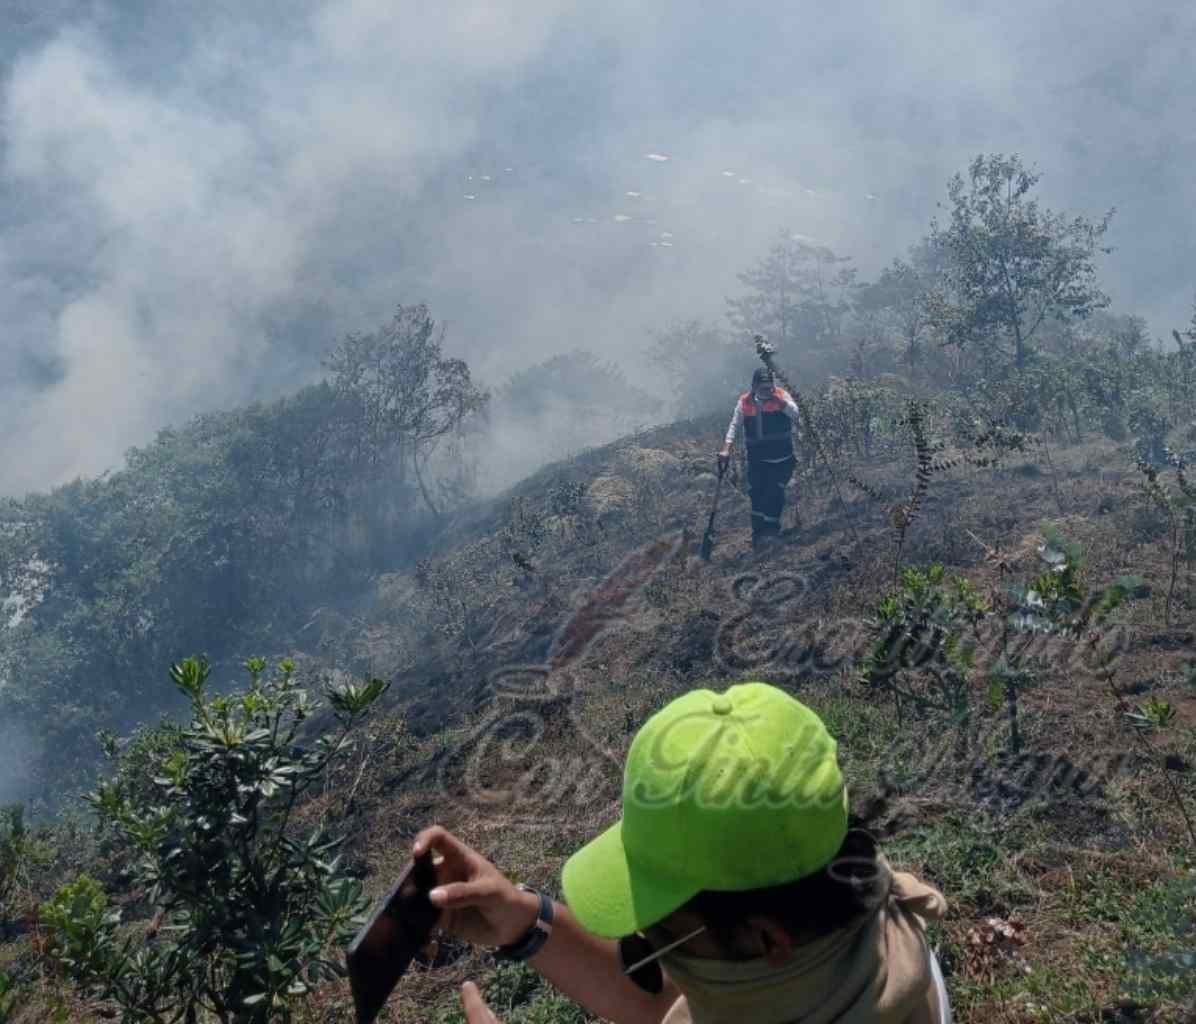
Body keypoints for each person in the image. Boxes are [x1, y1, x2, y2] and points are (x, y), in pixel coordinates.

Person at [414, 681, 952, 1024]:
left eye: (662, 935)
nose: (646, 950)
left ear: (768, 938)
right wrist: (524, 920)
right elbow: (665, 999)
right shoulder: (871, 944)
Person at [718, 369, 801, 549]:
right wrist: (726, 449)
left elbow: (796, 414)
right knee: (757, 495)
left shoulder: (781, 396)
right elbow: (734, 426)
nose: (766, 391)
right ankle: (758, 534)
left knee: (774, 493)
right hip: (758, 460)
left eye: (769, 387)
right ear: (754, 386)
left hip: (783, 459)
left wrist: (779, 402)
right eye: (762, 387)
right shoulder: (745, 402)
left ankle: (771, 532)